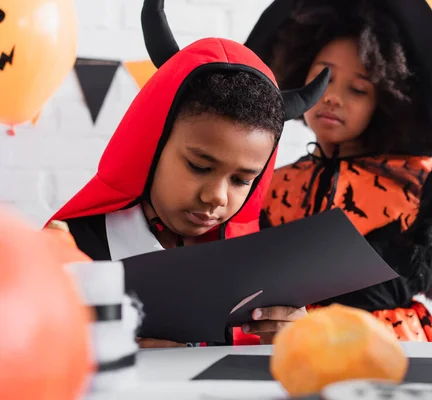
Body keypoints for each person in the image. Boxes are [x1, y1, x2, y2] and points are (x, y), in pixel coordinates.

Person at [245, 0, 432, 342]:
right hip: (290, 349)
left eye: (358, 89)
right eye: (324, 78)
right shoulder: (271, 182)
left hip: (393, 350)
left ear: (384, 101)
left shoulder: (415, 181)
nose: (333, 97)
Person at [47, 0, 329, 347]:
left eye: (242, 180)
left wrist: (291, 340)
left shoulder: (264, 267)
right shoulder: (67, 248)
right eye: (199, 166)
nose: (217, 196)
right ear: (151, 144)